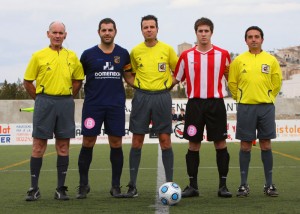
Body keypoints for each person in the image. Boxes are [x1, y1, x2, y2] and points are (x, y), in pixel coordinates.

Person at [23, 21, 84, 201]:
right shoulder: (38, 56)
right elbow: (27, 81)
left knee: (63, 146)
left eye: (60, 33)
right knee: (38, 146)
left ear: (66, 35)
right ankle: (34, 189)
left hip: (65, 102)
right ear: (47, 34)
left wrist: (68, 96)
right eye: (54, 32)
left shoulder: (72, 56)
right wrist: (40, 100)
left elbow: (78, 79)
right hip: (44, 102)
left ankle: (60, 189)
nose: (57, 36)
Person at [173, 17, 232, 198]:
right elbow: (175, 79)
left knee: (220, 144)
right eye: (200, 31)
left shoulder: (223, 54)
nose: (203, 34)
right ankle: (193, 186)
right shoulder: (186, 56)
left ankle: (223, 186)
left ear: (211, 33)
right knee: (193, 145)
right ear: (196, 33)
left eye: (206, 31)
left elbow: (232, 79)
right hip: (195, 105)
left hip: (216, 104)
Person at [76, 18, 134, 199]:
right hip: (93, 106)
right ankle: (83, 185)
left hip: (115, 106)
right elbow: (77, 78)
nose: (107, 33)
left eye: (110, 30)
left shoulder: (123, 54)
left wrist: (148, 87)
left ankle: (115, 186)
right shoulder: (87, 55)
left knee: (116, 144)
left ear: (115, 31)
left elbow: (129, 78)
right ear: (99, 32)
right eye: (104, 30)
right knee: (88, 142)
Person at [124, 15, 178, 198]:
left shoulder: (167, 49)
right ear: (141, 30)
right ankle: (132, 185)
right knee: (137, 141)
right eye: (145, 27)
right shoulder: (135, 51)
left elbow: (178, 71)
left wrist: (168, 85)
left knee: (165, 140)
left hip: (162, 97)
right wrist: (137, 86)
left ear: (157, 29)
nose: (149, 29)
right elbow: (128, 74)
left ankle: (169, 184)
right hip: (142, 97)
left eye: (152, 26)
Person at [228, 26, 282, 197]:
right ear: (246, 40)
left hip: (266, 107)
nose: (253, 39)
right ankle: (243, 185)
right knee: (245, 145)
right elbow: (232, 83)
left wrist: (268, 96)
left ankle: (269, 185)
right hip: (245, 107)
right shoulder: (238, 60)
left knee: (266, 143)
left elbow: (277, 82)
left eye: (256, 37)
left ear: (262, 40)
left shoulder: (271, 60)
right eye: (250, 37)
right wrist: (240, 98)